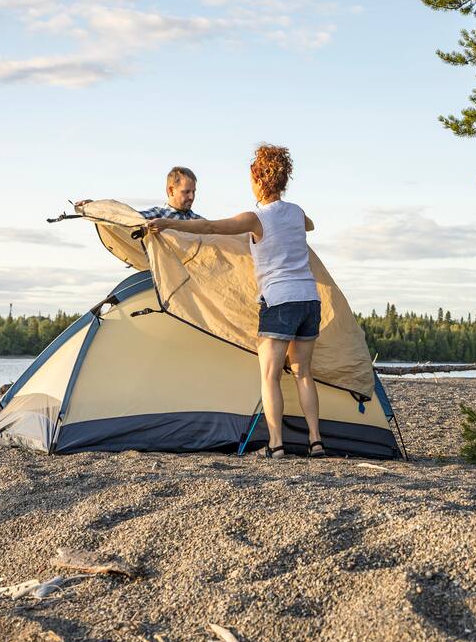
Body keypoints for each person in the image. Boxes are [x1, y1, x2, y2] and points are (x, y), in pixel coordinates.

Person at [145, 145, 321, 459]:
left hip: (280, 300)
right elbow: (310, 225)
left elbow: (211, 227)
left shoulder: (255, 218)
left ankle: (277, 444)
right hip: (309, 298)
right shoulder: (296, 212)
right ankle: (316, 441)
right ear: (283, 180)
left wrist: (170, 224)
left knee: (270, 376)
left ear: (258, 180)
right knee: (303, 373)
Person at [75, 166, 204, 220]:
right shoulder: (157, 215)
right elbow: (124, 218)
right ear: (171, 190)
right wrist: (93, 208)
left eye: (193, 192)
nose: (191, 197)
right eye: (186, 192)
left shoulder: (199, 222)